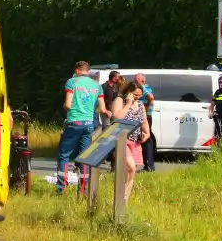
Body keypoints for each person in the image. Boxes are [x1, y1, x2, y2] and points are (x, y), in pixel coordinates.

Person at [57, 61, 106, 193]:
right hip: (89, 124)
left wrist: (66, 107)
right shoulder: (97, 85)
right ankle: (83, 190)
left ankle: (61, 189)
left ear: (77, 71)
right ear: (87, 71)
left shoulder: (72, 82)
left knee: (64, 155)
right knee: (83, 157)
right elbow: (102, 108)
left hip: (74, 122)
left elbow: (68, 105)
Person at [108, 81, 151, 204]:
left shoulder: (140, 105)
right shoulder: (120, 100)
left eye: (139, 95)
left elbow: (143, 121)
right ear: (128, 92)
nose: (137, 97)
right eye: (135, 94)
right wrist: (128, 104)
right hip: (121, 140)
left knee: (132, 171)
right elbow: (117, 117)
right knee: (130, 167)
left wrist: (146, 132)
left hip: (135, 140)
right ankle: (119, 197)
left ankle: (124, 200)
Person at [132, 73, 156, 172]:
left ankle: (148, 166)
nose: (134, 82)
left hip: (145, 116)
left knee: (145, 140)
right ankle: (149, 165)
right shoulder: (145, 87)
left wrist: (145, 108)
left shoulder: (144, 88)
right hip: (145, 116)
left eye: (136, 80)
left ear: (142, 81)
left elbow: (151, 97)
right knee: (147, 140)